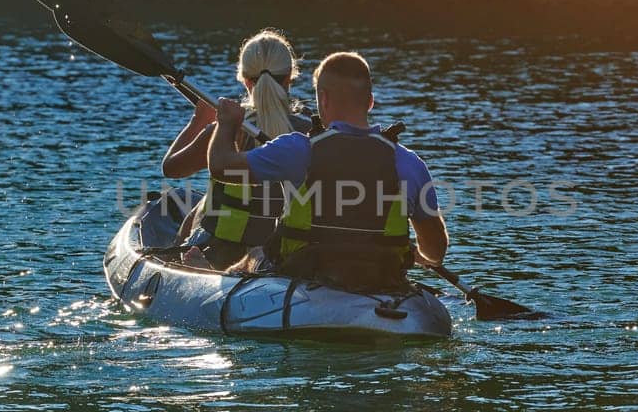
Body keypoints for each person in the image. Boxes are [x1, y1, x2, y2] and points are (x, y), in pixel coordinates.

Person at [208, 51, 448, 290]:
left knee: (254, 256)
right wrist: (410, 250)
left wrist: (226, 124)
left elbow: (221, 167)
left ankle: (206, 271)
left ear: (322, 99)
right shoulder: (409, 163)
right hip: (381, 279)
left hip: (303, 274)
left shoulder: (297, 149)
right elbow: (435, 253)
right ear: (370, 101)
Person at [161, 29, 305, 269]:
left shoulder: (227, 130)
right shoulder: (309, 133)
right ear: (290, 77)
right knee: (202, 202)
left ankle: (182, 261)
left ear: (245, 80)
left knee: (205, 202)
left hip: (218, 249)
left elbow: (171, 168)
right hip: (279, 253)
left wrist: (199, 121)